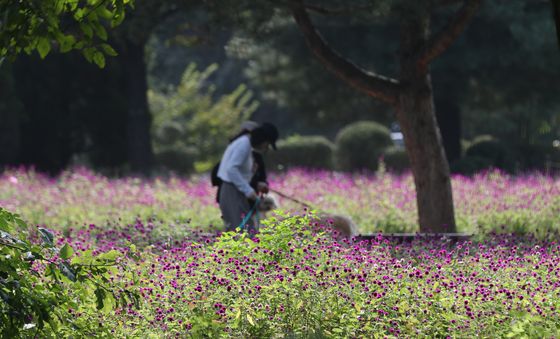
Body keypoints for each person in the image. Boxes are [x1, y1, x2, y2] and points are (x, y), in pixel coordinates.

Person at [216, 122, 278, 233]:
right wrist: (248, 190)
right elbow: (231, 170)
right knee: (245, 232)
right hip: (232, 191)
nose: (266, 147)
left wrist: (254, 183)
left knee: (244, 231)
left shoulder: (246, 144)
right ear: (262, 138)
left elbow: (239, 170)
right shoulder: (244, 145)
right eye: (267, 144)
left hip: (234, 190)